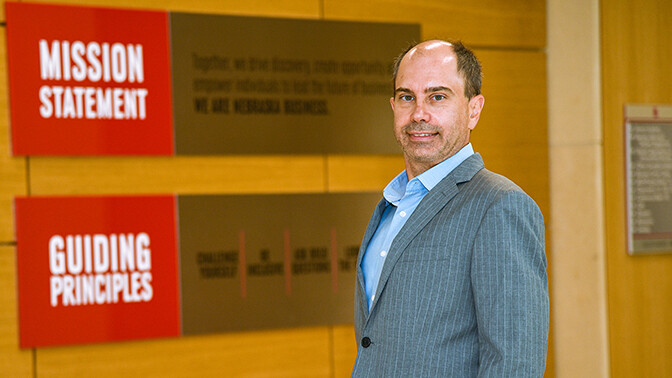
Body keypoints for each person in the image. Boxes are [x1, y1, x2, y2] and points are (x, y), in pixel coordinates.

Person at [352, 40, 549, 377]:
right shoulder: (391, 205)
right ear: (393, 106)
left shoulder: (500, 206)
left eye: (438, 97)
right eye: (406, 97)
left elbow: (515, 363)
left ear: (474, 109)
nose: (419, 114)